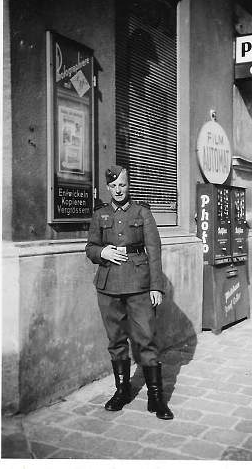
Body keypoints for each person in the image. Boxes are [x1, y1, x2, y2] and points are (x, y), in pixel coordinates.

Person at [85, 165, 174, 420]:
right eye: (113, 186)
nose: (118, 190)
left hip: (139, 284)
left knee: (146, 338)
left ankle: (157, 398)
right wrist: (102, 252)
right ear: (108, 188)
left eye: (122, 185)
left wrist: (156, 286)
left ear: (129, 185)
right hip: (108, 284)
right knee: (115, 340)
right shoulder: (100, 214)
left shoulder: (142, 212)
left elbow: (154, 251)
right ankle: (122, 390)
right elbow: (90, 247)